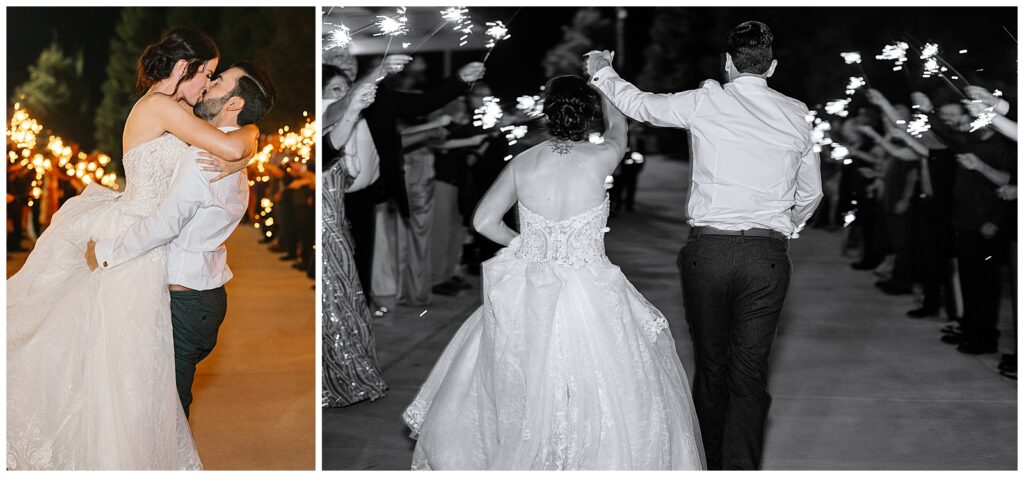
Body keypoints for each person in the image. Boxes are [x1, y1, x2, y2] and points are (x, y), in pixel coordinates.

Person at [403, 75, 705, 470]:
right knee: (599, 385)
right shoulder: (602, 156)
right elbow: (619, 128)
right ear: (587, 116)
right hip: (591, 287)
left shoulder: (524, 162)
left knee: (526, 383)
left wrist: (525, 245)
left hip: (529, 287)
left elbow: (482, 221)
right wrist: (605, 83)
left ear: (547, 113)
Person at [7, 27, 258, 469]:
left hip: (152, 247)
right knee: (128, 376)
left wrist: (248, 139)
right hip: (137, 244)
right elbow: (227, 143)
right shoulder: (161, 106)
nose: (207, 85)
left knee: (137, 376)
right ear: (185, 68)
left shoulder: (177, 107)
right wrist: (251, 135)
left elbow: (228, 144)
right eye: (208, 74)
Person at [587, 21, 823, 469]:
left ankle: (710, 463)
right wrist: (784, 228)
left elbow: (639, 104)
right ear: (771, 66)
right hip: (766, 256)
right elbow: (811, 192)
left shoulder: (705, 100)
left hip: (708, 253)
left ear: (728, 62)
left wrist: (601, 70)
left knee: (712, 364)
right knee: (750, 371)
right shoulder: (795, 111)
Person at [85, 62, 276, 418]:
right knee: (166, 402)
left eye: (219, 81)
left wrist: (107, 253)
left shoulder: (204, 157)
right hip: (203, 297)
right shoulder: (229, 151)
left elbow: (164, 224)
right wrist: (251, 132)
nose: (209, 85)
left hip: (184, 300)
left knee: (165, 410)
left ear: (234, 104)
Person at [320, 63, 389, 407]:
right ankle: (335, 377)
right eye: (336, 88)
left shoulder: (337, 135)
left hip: (339, 228)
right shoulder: (325, 126)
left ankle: (352, 371)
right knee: (330, 304)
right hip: (325, 234)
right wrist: (354, 103)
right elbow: (332, 129)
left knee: (348, 301)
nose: (342, 94)